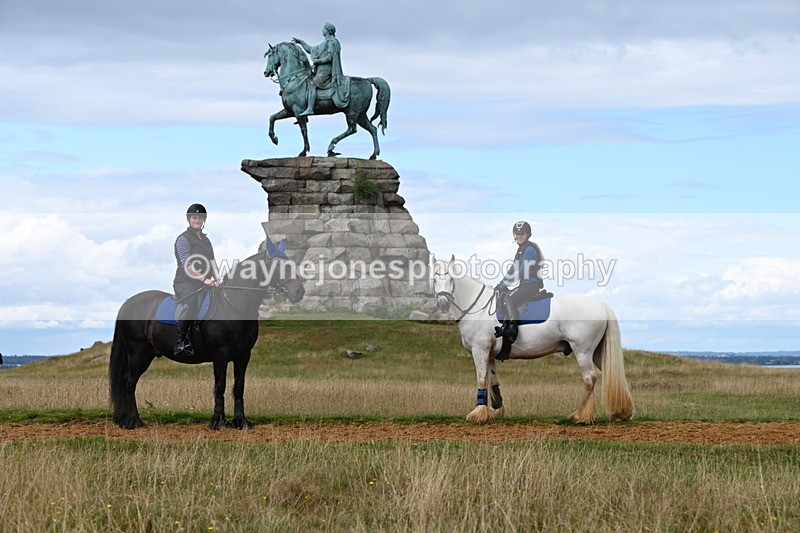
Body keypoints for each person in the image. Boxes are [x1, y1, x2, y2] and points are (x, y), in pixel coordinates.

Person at [173, 203, 219, 356]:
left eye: (200, 217)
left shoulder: (206, 241)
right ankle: (181, 342)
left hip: (205, 282)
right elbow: (187, 264)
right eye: (194, 217)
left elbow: (212, 262)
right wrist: (204, 279)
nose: (197, 220)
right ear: (189, 219)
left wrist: (218, 279)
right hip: (185, 282)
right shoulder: (183, 239)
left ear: (203, 220)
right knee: (192, 302)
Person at [494, 220, 544, 343]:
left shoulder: (530, 249)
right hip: (524, 285)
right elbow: (513, 268)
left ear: (528, 235)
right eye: (517, 234)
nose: (519, 236)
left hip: (531, 285)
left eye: (522, 233)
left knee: (509, 299)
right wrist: (500, 284)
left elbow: (522, 271)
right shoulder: (521, 250)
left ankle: (511, 329)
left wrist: (506, 284)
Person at [291, 22, 350, 115]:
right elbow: (310, 49)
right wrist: (301, 42)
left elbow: (330, 57)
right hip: (320, 71)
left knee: (312, 84)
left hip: (326, 71)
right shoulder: (324, 44)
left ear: (327, 30)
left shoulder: (332, 42)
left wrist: (318, 61)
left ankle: (310, 108)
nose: (322, 30)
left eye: (323, 28)